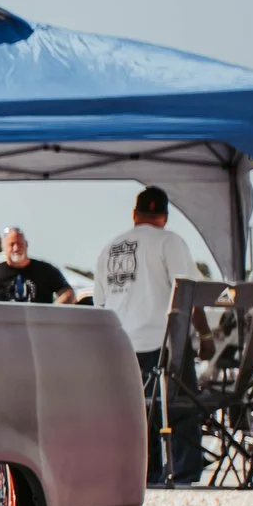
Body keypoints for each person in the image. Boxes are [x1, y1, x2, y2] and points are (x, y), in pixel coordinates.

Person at [97, 186, 200, 484]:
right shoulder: (170, 242)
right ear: (165, 217)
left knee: (138, 412)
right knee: (180, 407)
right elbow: (187, 292)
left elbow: (100, 303)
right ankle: (184, 471)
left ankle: (146, 471)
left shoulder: (109, 248)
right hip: (164, 342)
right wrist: (204, 336)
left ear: (134, 214)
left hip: (122, 344)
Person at [0, 227, 76, 304]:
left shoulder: (46, 270)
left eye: (20, 244)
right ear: (3, 247)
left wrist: (53, 312)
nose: (16, 248)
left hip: (39, 325)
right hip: (4, 325)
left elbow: (68, 293)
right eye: (12, 244)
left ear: (26, 245)